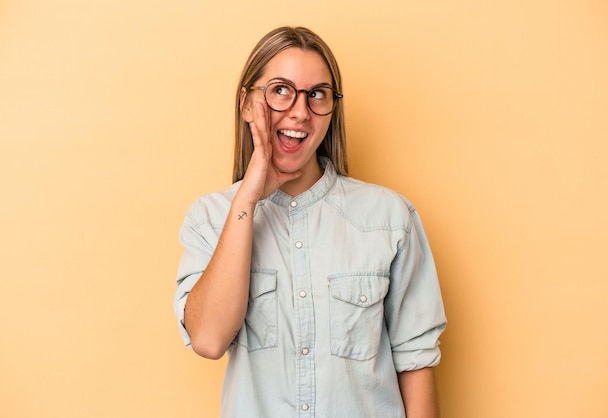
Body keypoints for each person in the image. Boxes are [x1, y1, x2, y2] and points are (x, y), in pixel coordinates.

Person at [174, 26, 447, 418]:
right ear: (247, 104)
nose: (300, 112)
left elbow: (415, 361)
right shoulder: (210, 218)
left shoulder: (389, 218)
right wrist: (248, 198)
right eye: (281, 89)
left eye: (316, 94)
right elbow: (208, 339)